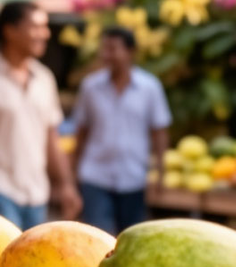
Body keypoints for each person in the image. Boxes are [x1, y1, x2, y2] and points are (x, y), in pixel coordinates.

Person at [0, 1, 81, 230]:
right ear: (9, 31)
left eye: (45, 27)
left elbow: (51, 137)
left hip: (36, 193)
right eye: (36, 27)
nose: (44, 34)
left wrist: (66, 185)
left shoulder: (44, 78)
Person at [72, 26, 171, 234]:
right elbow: (82, 130)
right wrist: (73, 171)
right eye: (104, 49)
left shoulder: (149, 87)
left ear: (131, 52)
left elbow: (159, 131)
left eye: (113, 49)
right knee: (97, 239)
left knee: (131, 240)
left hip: (133, 177)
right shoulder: (90, 87)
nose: (106, 55)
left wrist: (160, 172)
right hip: (95, 176)